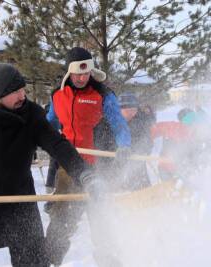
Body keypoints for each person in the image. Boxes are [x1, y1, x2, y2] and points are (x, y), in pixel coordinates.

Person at [0, 63, 99, 267]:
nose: (22, 96)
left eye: (23, 89)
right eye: (15, 92)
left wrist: (83, 173)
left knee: (33, 260)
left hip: (19, 200)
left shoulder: (31, 115)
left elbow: (58, 145)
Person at [45, 47, 132, 266]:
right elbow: (48, 124)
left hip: (97, 167)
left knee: (102, 223)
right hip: (68, 168)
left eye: (86, 73)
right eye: (78, 74)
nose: (83, 78)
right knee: (60, 223)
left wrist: (124, 147)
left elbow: (120, 126)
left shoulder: (103, 95)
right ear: (69, 73)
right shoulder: (58, 96)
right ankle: (49, 262)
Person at [118, 92, 155, 189]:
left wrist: (139, 151)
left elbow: (147, 141)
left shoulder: (140, 122)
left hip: (137, 162)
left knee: (141, 187)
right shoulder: (111, 122)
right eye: (127, 111)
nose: (131, 114)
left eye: (134, 110)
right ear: (119, 110)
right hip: (116, 164)